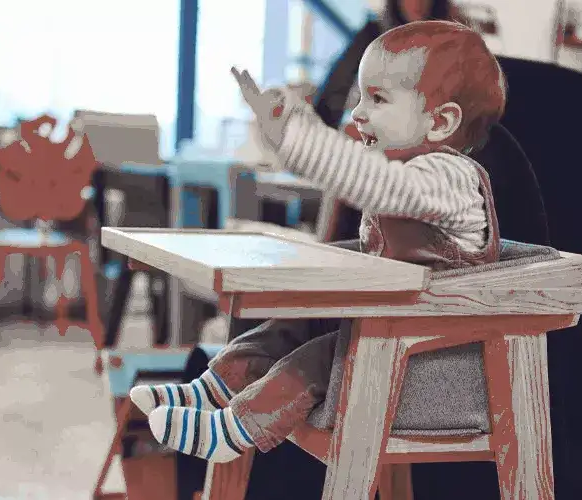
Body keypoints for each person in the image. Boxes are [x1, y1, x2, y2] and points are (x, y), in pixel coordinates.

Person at [131, 20, 507, 463]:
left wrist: (298, 139)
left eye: (378, 99)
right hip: (391, 329)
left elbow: (379, 185)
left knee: (316, 356)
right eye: (360, 98)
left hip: (435, 359)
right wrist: (298, 125)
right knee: (288, 325)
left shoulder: (447, 179)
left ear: (441, 121)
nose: (358, 114)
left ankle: (235, 430)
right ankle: (212, 389)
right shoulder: (412, 171)